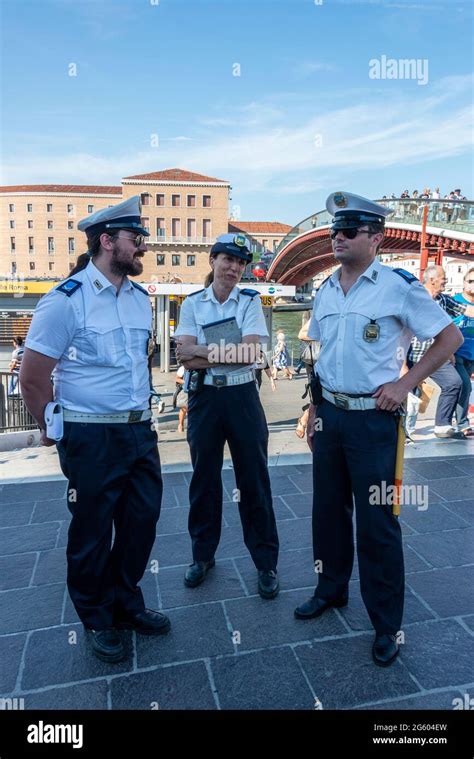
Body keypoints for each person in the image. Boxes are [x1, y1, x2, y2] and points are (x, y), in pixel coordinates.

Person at [294, 191, 463, 667]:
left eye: (348, 232)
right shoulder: (326, 289)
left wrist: (407, 382)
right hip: (331, 415)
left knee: (377, 523)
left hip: (374, 420)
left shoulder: (398, 286)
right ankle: (331, 589)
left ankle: (386, 623)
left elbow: (449, 337)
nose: (337, 239)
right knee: (326, 512)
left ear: (375, 237)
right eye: (334, 232)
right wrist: (313, 409)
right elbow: (325, 356)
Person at [20, 196, 171, 664]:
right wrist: (53, 429)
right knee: (91, 531)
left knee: (141, 523)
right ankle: (97, 618)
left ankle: (127, 603)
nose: (141, 246)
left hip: (137, 432)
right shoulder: (66, 300)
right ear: (107, 242)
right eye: (135, 238)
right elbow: (32, 376)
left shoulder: (140, 300)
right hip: (90, 437)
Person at [174, 233, 279, 599]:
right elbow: (183, 357)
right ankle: (202, 556)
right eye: (227, 260)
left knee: (254, 479)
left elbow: (252, 354)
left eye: (240, 263)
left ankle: (266, 563)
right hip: (204, 396)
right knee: (203, 479)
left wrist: (202, 351)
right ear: (213, 260)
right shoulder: (191, 303)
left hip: (241, 395)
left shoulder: (250, 301)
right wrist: (224, 352)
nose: (233, 268)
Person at [406, 265, 474, 438]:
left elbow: (465, 310)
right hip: (413, 354)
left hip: (436, 355)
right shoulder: (414, 297)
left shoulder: (443, 300)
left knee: (454, 382)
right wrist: (401, 363)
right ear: (432, 279)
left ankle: (442, 425)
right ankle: (405, 429)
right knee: (409, 392)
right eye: (443, 278)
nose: (445, 281)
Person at [452, 267, 474, 436]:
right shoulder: (454, 301)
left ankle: (454, 420)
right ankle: (462, 423)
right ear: (464, 283)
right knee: (464, 386)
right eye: (470, 281)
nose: (473, 285)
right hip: (456, 354)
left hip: (471, 355)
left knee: (460, 388)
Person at [174, 364, 188, 432]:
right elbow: (177, 378)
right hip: (186, 391)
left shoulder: (200, 366)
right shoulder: (183, 368)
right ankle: (181, 424)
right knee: (184, 408)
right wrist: (185, 382)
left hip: (197, 391)